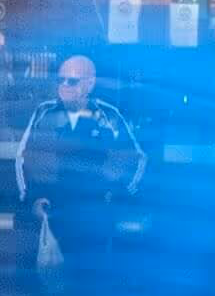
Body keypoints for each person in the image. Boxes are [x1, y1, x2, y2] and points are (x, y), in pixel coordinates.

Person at [16, 54, 144, 283]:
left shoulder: (109, 116)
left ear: (90, 84)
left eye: (71, 81)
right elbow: (23, 158)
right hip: (52, 208)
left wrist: (115, 196)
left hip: (93, 211)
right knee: (48, 281)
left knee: (90, 279)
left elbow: (136, 159)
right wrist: (32, 198)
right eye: (60, 80)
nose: (63, 86)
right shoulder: (43, 113)